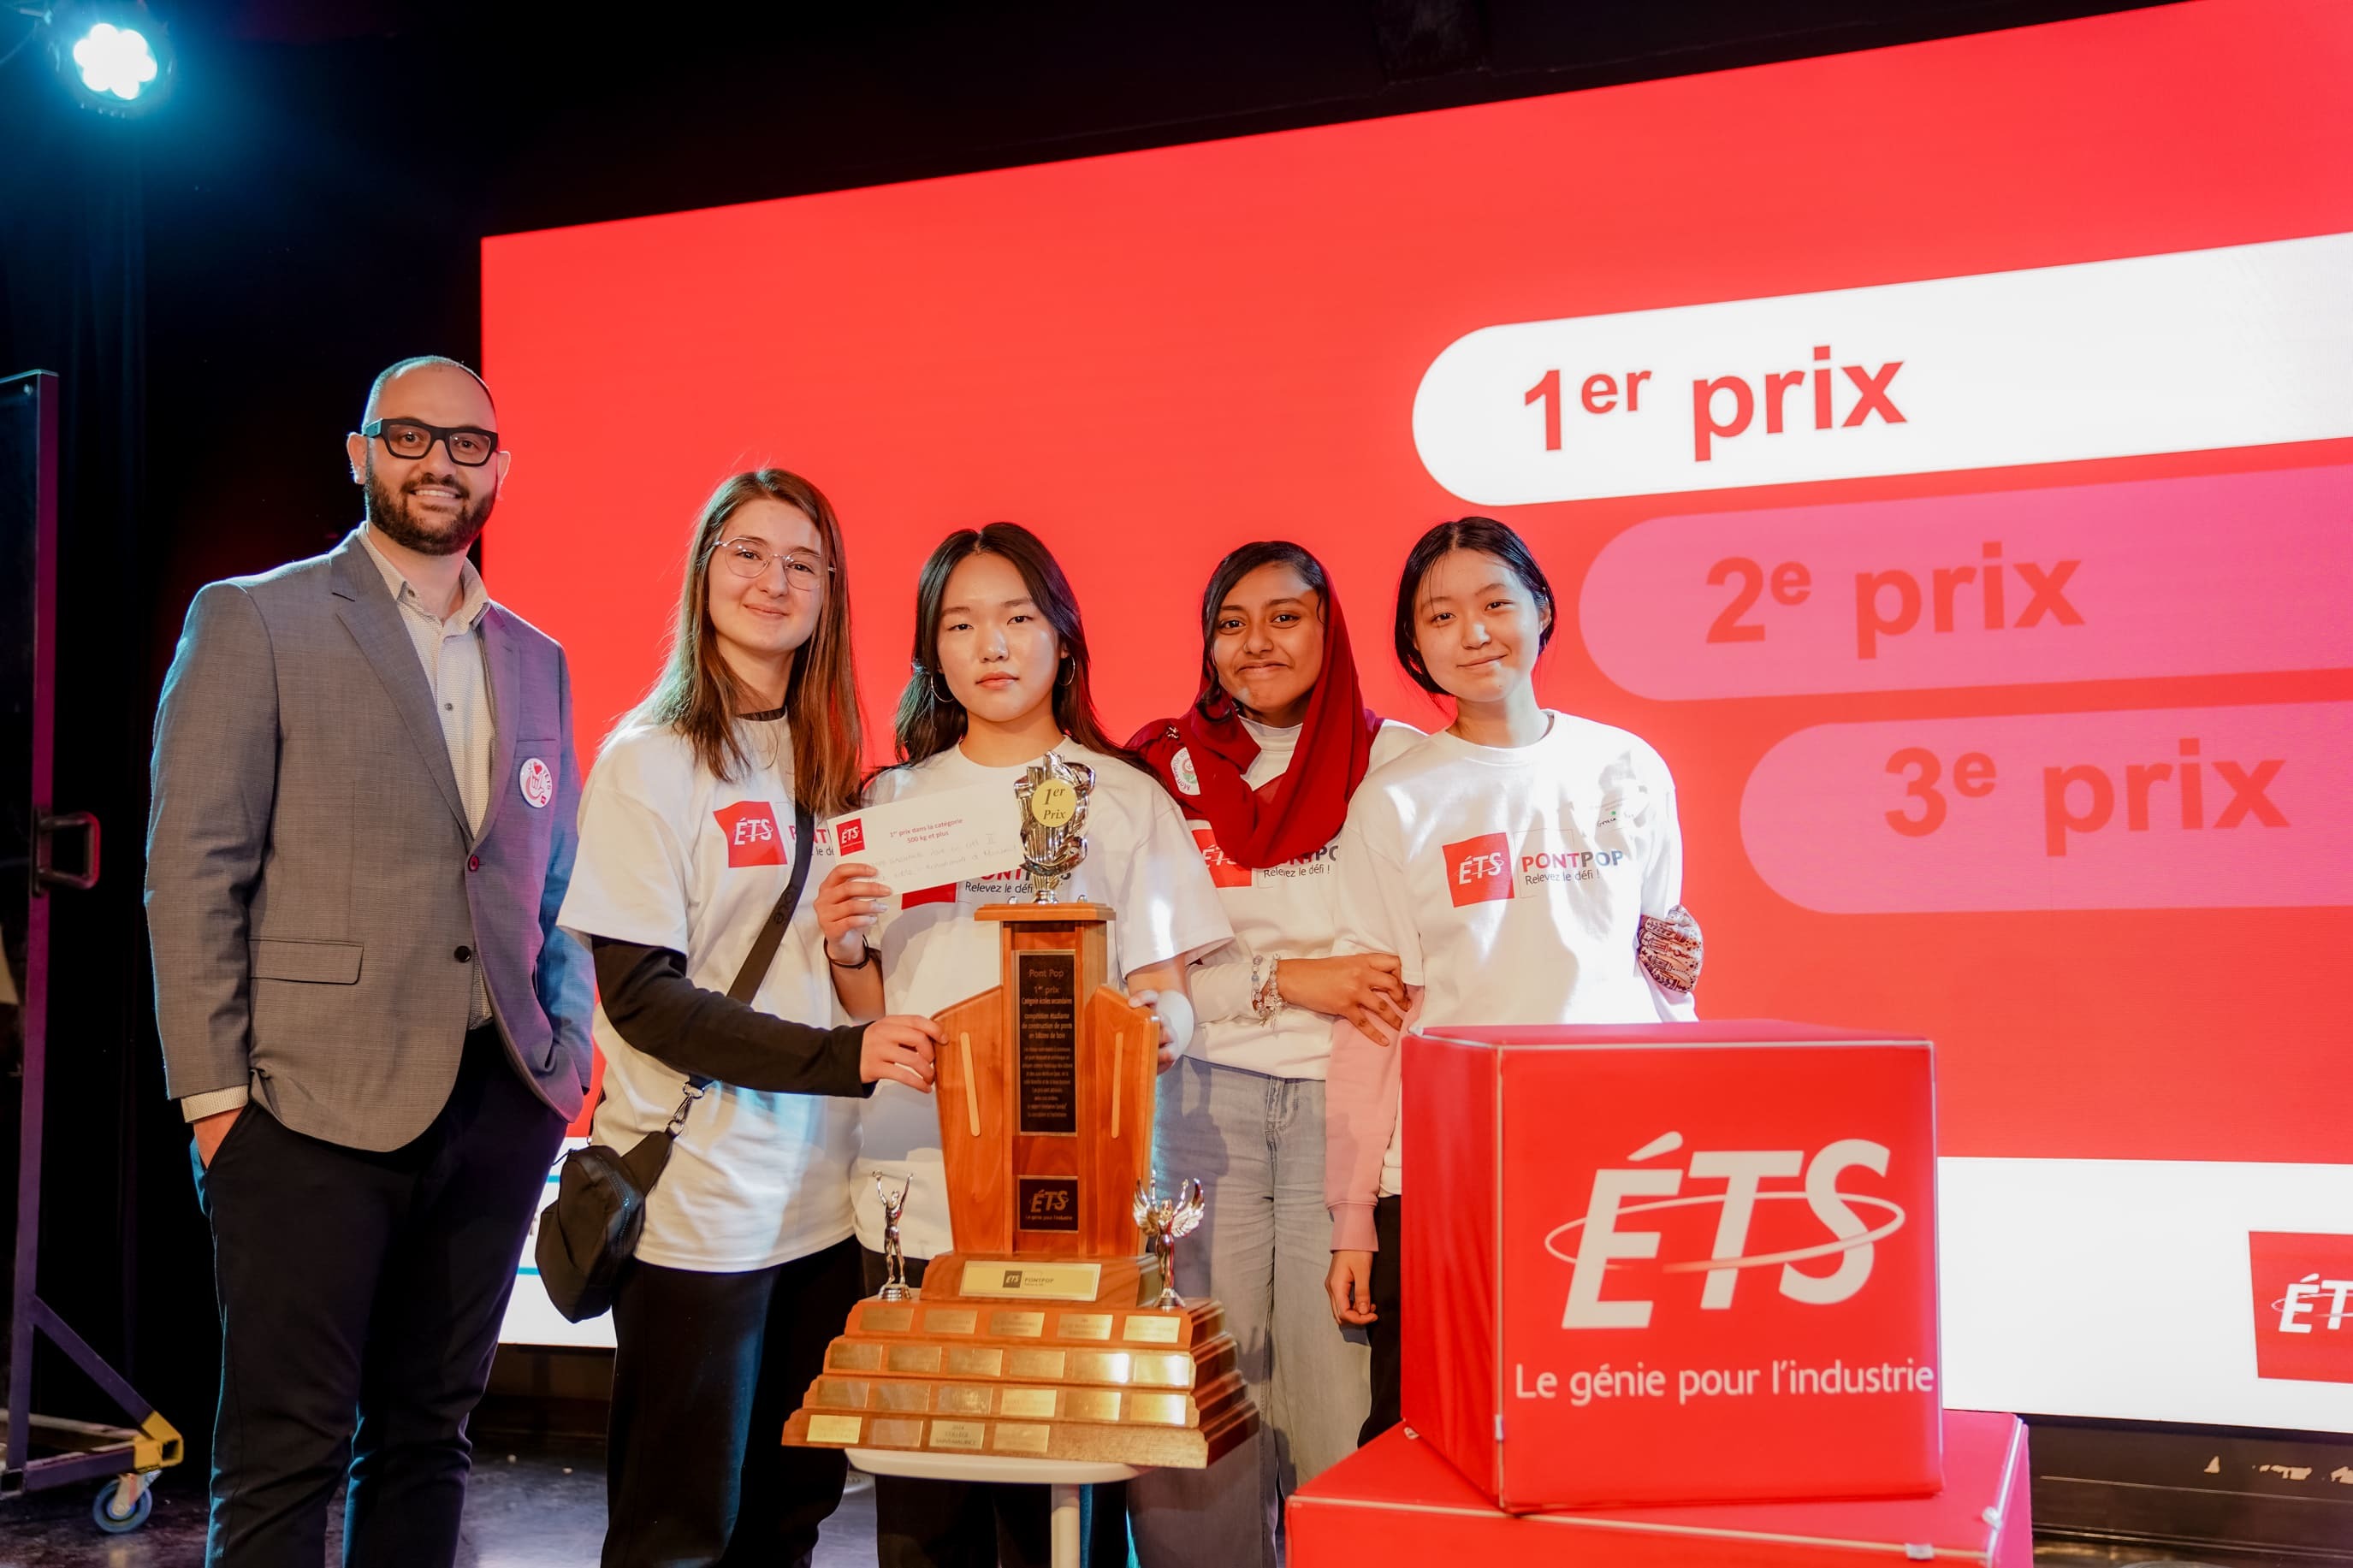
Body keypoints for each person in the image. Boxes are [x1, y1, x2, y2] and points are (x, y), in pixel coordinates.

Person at [146, 355, 596, 1567]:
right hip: (301, 1109)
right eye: (408, 436)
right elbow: (194, 872)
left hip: (495, 1105)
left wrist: (562, 1065)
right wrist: (217, 1107)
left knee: (428, 1439)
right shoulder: (257, 616)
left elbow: (556, 889)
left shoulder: (535, 655)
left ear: (499, 467)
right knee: (284, 1452)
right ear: (358, 454)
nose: (438, 462)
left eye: (467, 443)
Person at [555, 469, 943, 1568]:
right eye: (747, 553)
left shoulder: (828, 764)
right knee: (678, 1529)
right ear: (703, 570)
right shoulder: (651, 758)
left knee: (791, 1511)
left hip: (824, 1205)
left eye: (802, 563)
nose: (773, 581)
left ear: (830, 594)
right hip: (701, 1210)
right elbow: (643, 1000)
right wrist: (845, 1055)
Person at [857, 522, 1232, 1568]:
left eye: (1019, 618)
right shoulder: (888, 807)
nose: (994, 645)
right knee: (924, 1517)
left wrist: (1160, 1030)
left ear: (1062, 638)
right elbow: (868, 1001)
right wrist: (846, 937)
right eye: (962, 623)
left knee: (1056, 1517)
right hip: (921, 1189)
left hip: (1076, 1206)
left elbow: (1168, 989)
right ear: (933, 653)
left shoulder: (1121, 798)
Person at [1321, 517, 1704, 1444]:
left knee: (1609, 1429)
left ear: (1540, 609)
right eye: (1441, 615)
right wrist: (1354, 1218)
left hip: (1619, 1161)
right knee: (1426, 1438)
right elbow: (1374, 1018)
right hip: (1450, 1172)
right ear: (1414, 644)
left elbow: (1666, 973)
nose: (1474, 632)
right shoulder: (1396, 801)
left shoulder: (1625, 767)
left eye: (1496, 603)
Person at [1123, 541, 1420, 1565]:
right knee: (1200, 1395)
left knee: (1337, 1408)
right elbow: (1140, 976)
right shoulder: (1157, 772)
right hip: (1199, 1109)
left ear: (1329, 631)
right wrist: (1295, 980)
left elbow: (1429, 954)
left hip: (1350, 1118)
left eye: (1285, 617)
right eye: (1231, 622)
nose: (1256, 644)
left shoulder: (1403, 765)